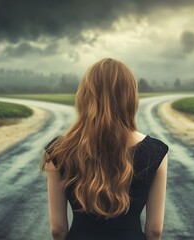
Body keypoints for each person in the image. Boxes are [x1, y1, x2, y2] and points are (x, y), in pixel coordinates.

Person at [41, 58, 169, 240]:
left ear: (85, 96)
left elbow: (58, 229)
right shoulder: (155, 151)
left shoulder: (59, 151)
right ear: (130, 98)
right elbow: (155, 230)